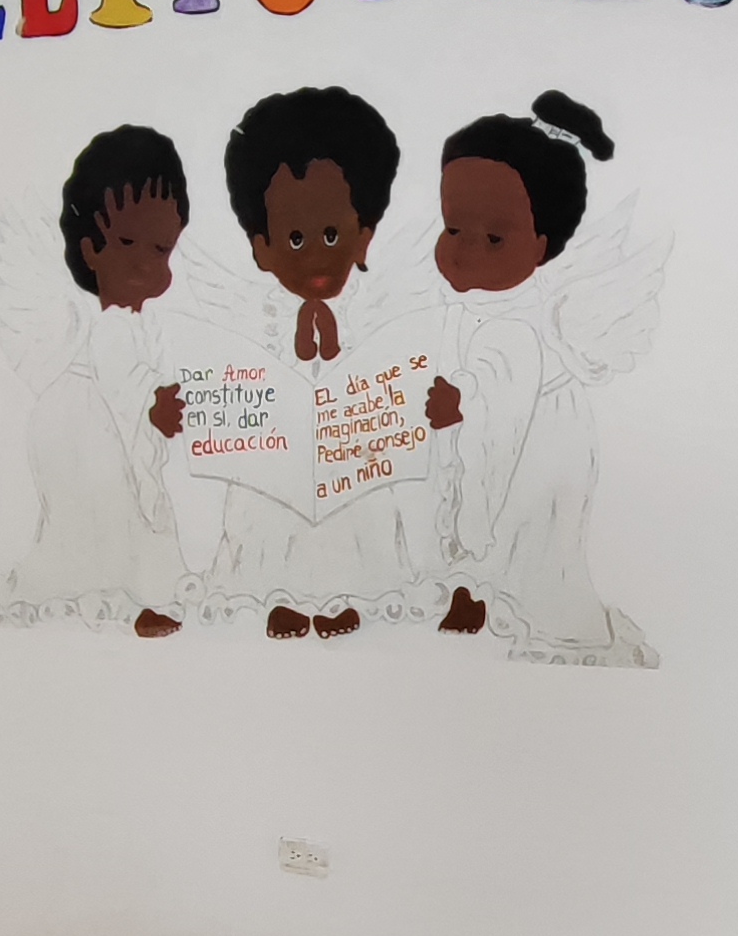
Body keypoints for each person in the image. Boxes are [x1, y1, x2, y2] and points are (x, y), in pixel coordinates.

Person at [180, 85, 435, 639]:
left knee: (359, 506)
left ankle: (354, 593)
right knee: (264, 509)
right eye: (295, 239)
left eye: (332, 234)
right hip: (271, 462)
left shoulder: (375, 317)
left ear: (363, 238)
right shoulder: (253, 320)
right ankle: (275, 593)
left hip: (354, 456)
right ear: (262, 249)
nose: (316, 254)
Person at [423, 90, 665, 665]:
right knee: (484, 513)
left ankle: (525, 612)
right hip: (502, 430)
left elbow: (501, 411)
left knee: (531, 537)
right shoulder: (475, 307)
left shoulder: (517, 326)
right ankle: (474, 586)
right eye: (452, 229)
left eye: (494, 238)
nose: (463, 251)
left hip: (536, 446)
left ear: (542, 245)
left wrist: (462, 404)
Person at [0, 125, 190, 637]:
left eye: (161, 249)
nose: (144, 262)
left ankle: (138, 592)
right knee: (102, 510)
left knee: (124, 513)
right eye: (126, 242)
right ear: (90, 246)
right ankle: (117, 594)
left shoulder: (142, 324)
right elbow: (121, 378)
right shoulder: (110, 325)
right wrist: (152, 405)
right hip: (87, 428)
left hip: (106, 422)